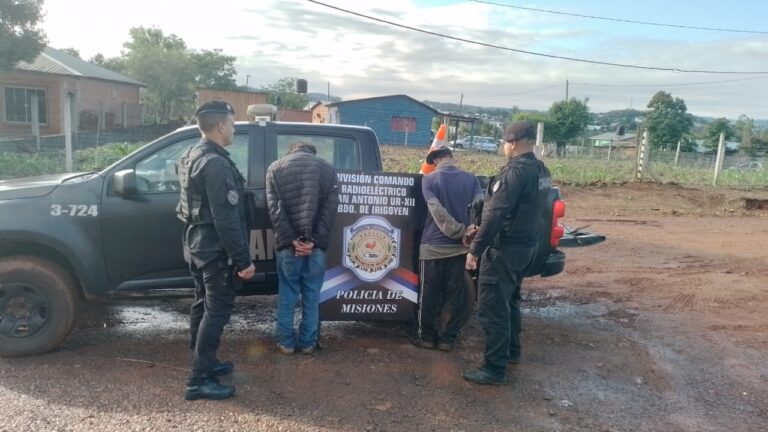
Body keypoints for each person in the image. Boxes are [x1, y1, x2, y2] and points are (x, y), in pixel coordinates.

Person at [176, 100, 255, 400]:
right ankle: (198, 380)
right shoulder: (216, 164)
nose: (233, 130)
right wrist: (243, 261)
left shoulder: (191, 155)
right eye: (232, 124)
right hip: (213, 250)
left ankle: (204, 362)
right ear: (221, 126)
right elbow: (226, 219)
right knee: (217, 311)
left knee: (202, 305)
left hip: (196, 244)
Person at [463, 120, 552, 385]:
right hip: (527, 246)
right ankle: (512, 352)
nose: (503, 147)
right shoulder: (541, 170)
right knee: (510, 300)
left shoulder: (514, 173)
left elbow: (495, 215)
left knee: (493, 307)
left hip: (505, 249)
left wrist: (475, 250)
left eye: (504, 142)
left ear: (512, 143)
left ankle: (494, 369)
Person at [266, 141, 338, 355]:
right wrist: (314, 240)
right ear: (312, 152)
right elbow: (329, 211)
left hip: (288, 248)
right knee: (312, 295)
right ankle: (307, 343)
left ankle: (286, 344)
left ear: (291, 151)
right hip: (315, 248)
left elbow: (275, 210)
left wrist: (291, 240)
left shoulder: (275, 168)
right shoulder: (327, 169)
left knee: (287, 294)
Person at [417, 143, 483, 351]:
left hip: (432, 248)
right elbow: (480, 206)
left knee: (428, 295)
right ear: (451, 157)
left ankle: (427, 338)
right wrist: (469, 229)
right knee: (454, 296)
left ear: (436, 160)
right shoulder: (471, 178)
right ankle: (447, 340)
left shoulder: (429, 180)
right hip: (458, 250)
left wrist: (459, 231)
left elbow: (436, 211)